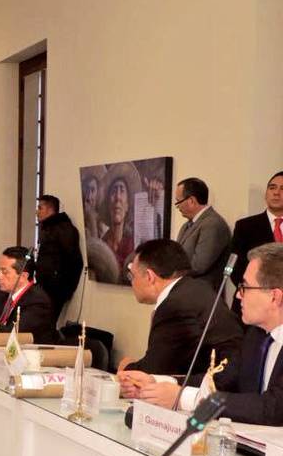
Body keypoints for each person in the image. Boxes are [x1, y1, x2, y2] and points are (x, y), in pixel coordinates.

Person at [124, 243, 283, 425]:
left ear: (274, 297)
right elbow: (222, 380)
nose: (238, 295)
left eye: (245, 287)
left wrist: (185, 399)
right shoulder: (256, 336)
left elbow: (273, 408)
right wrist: (157, 382)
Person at [116, 239, 242, 381]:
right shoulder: (196, 289)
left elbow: (154, 371)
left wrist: (127, 367)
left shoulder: (175, 307)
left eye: (132, 276)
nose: (132, 282)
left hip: (219, 385)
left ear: (150, 277)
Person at [230, 171, 283, 313]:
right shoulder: (245, 226)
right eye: (272, 188)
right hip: (253, 304)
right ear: (266, 194)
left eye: (282, 189)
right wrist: (259, 293)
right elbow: (236, 268)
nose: (276, 193)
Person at [0, 246, 60, 345]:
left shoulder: (38, 301)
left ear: (23, 276)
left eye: (4, 272)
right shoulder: (3, 295)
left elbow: (14, 333)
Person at [174, 177, 231, 290]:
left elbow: (199, 266)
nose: (177, 206)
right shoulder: (186, 226)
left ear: (191, 201)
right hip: (186, 290)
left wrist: (169, 271)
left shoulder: (213, 224)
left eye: (178, 201)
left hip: (202, 293)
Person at [34, 194, 83, 322]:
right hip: (43, 287)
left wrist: (64, 289)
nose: (37, 212)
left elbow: (75, 261)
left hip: (55, 289)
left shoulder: (64, 230)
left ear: (50, 209)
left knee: (46, 324)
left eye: (40, 208)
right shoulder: (47, 229)